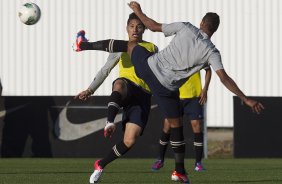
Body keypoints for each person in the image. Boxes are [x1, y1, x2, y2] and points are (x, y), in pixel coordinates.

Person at [73, 2, 264, 183]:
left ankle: (84, 45)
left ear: (201, 23)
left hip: (150, 69)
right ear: (214, 30)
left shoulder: (187, 27)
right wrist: (245, 99)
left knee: (131, 46)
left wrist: (138, 10)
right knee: (177, 127)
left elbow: (152, 25)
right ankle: (179, 171)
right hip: (166, 88)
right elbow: (224, 78)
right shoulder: (212, 52)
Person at [74, 13, 158, 183]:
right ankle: (110, 121)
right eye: (132, 26)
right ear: (126, 28)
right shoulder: (120, 48)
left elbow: (158, 71)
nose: (135, 29)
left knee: (129, 140)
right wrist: (90, 90)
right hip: (127, 88)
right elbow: (105, 70)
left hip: (143, 97)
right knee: (119, 83)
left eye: (139, 26)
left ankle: (101, 164)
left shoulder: (152, 48)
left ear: (144, 29)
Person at [151, 69, 211, 172]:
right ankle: (160, 160)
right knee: (167, 126)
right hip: (176, 97)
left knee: (197, 126)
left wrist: (205, 89)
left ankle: (198, 163)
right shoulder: (174, 55)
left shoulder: (197, 54)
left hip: (194, 98)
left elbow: (208, 70)